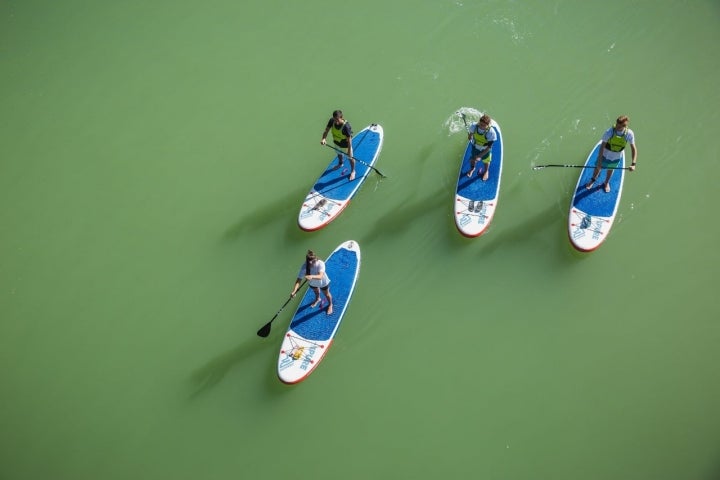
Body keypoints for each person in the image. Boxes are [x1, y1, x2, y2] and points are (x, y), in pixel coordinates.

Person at [586, 115, 638, 193]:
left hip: (616, 157)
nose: (616, 126)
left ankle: (606, 182)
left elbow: (633, 148)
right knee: (598, 167)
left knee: (610, 169)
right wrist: (600, 160)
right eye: (616, 124)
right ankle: (593, 179)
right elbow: (602, 146)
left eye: (619, 126)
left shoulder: (629, 134)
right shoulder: (609, 131)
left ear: (624, 126)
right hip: (604, 154)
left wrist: (633, 164)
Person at [291, 250, 333, 315]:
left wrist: (311, 276)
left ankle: (330, 305)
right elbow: (298, 280)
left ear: (316, 259)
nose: (312, 263)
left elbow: (320, 276)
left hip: (323, 282)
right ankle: (318, 299)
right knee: (316, 292)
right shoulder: (304, 267)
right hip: (312, 283)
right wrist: (294, 291)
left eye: (313, 261)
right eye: (309, 261)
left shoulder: (320, 263)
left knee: (327, 294)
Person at [320, 109, 355, 181]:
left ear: (341, 118)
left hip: (346, 146)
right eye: (334, 119)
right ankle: (340, 163)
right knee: (338, 153)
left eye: (337, 120)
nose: (336, 122)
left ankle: (353, 171)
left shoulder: (346, 127)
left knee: (350, 158)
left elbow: (349, 140)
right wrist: (323, 138)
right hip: (336, 143)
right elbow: (326, 130)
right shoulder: (331, 121)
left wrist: (349, 150)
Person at [465, 114, 497, 181]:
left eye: (483, 125)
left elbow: (489, 147)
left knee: (486, 161)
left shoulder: (491, 133)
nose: (481, 126)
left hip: (485, 149)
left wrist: (480, 156)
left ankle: (486, 171)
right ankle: (472, 168)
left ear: (488, 125)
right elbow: (470, 135)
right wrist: (470, 136)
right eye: (480, 124)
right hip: (475, 146)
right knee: (473, 159)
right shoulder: (474, 126)